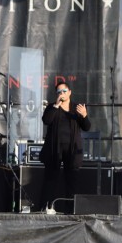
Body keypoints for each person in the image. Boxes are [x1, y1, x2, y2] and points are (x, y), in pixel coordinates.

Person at [39, 81, 91, 211]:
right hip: (54, 149)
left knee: (71, 180)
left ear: (70, 92)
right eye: (59, 92)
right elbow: (46, 120)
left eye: (64, 91)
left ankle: (70, 209)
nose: (62, 93)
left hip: (72, 149)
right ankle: (48, 207)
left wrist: (84, 115)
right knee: (51, 179)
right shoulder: (52, 107)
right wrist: (56, 105)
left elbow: (86, 127)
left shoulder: (77, 108)